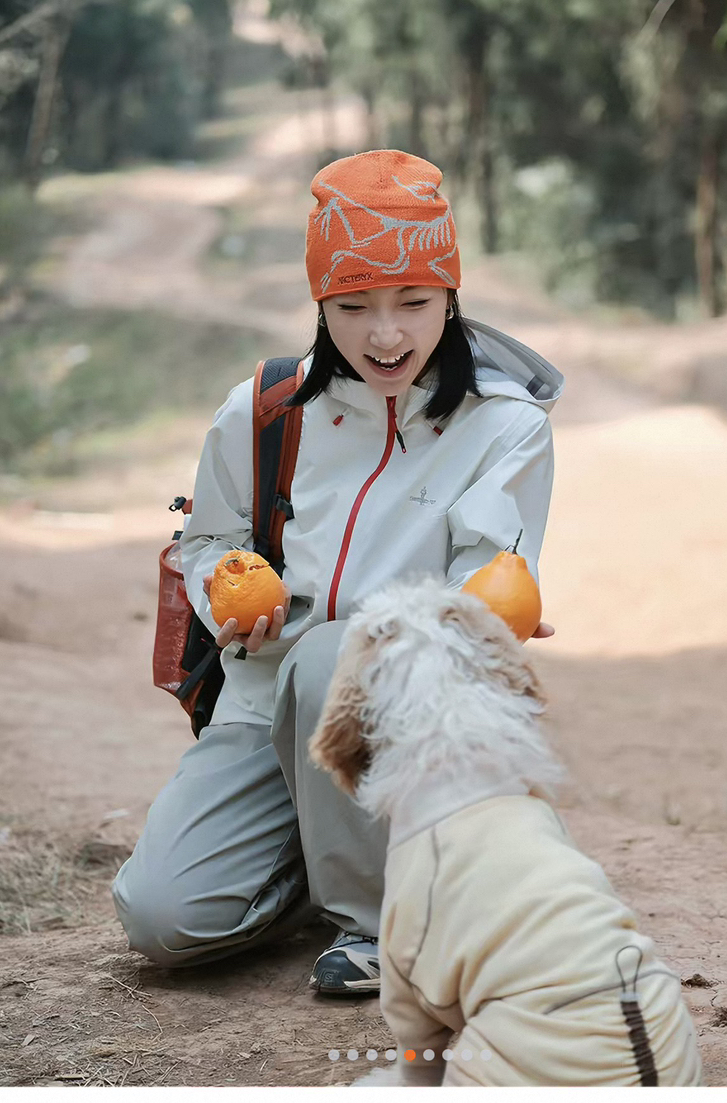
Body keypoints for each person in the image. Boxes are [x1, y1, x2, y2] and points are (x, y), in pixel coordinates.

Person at [112, 148, 564, 997]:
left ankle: (379, 921)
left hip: (406, 716)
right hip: (261, 703)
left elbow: (489, 576)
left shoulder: (503, 425)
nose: (384, 334)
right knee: (164, 919)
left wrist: (482, 614)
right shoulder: (266, 408)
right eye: (353, 306)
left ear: (451, 296)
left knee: (332, 657)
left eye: (414, 302)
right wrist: (225, 589)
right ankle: (319, 873)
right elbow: (207, 539)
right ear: (321, 301)